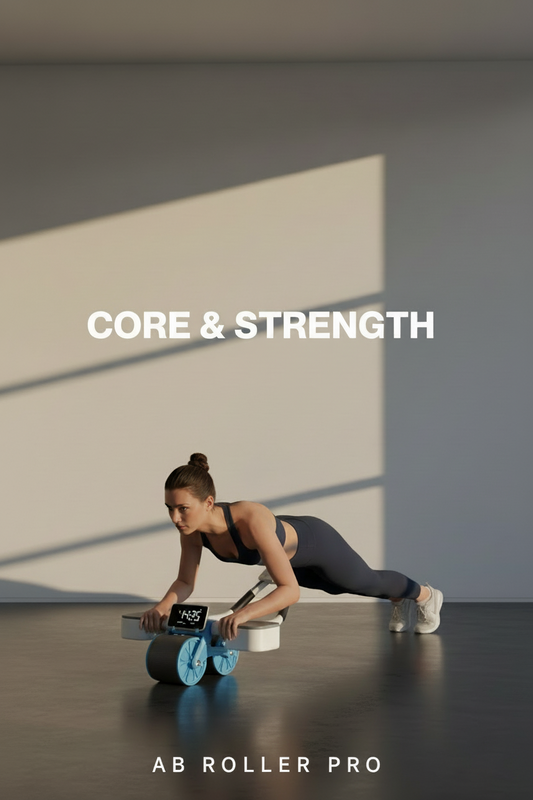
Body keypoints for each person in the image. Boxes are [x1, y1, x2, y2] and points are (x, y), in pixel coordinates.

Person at [140, 453, 443, 640]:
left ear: (207, 502)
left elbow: (290, 591)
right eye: (169, 508)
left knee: (364, 582)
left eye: (182, 508)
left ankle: (426, 595)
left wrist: (243, 615)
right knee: (335, 588)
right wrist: (162, 608)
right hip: (288, 556)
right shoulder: (192, 530)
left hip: (315, 542)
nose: (175, 518)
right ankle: (396, 599)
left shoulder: (249, 518)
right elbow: (184, 581)